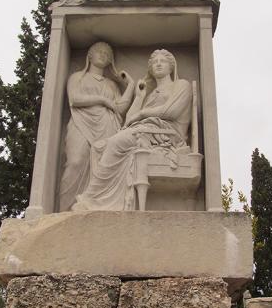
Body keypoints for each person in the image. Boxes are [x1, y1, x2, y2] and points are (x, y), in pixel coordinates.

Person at [75, 49, 192, 211]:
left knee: (115, 142)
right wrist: (140, 96)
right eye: (154, 62)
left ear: (171, 67)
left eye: (162, 61)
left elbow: (170, 111)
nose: (158, 64)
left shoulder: (181, 85)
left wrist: (143, 113)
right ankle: (103, 200)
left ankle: (91, 197)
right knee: (99, 146)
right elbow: (130, 119)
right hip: (147, 131)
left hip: (167, 135)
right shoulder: (151, 95)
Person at [59, 42, 134, 211]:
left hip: (108, 126)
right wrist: (102, 100)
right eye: (99, 51)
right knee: (75, 161)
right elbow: (74, 99)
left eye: (107, 54)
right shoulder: (77, 77)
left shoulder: (111, 85)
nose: (103, 55)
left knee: (103, 167)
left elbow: (120, 108)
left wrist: (130, 85)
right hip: (81, 123)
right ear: (89, 55)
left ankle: (91, 205)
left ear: (110, 61)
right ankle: (63, 209)